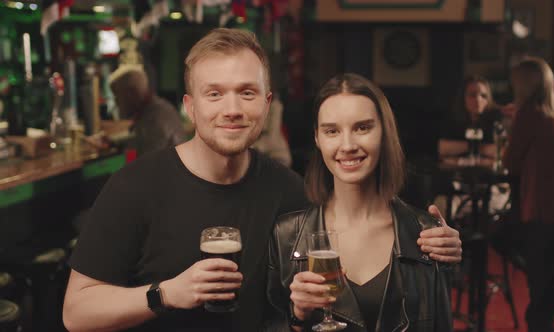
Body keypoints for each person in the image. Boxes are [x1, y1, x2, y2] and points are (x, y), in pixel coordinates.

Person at [63, 29, 461, 332]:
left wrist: (427, 238)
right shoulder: (135, 187)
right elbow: (75, 313)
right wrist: (164, 294)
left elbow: (341, 256)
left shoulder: (291, 193)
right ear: (190, 107)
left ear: (268, 104)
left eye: (247, 93)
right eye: (214, 94)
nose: (232, 109)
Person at [266, 73, 456, 331]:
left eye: (362, 128)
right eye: (332, 131)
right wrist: (298, 317)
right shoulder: (286, 235)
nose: (347, 145)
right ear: (317, 139)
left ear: (384, 132)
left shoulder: (427, 235)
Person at [503, 57, 554, 332]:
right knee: (538, 268)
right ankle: (552, 290)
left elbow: (510, 163)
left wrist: (513, 124)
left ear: (524, 85)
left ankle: (550, 294)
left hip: (543, 212)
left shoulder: (530, 114)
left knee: (498, 236)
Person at [108, 65, 186, 156]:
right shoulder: (152, 110)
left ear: (131, 93)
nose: (117, 103)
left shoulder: (155, 118)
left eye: (117, 96)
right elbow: (140, 138)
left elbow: (149, 164)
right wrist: (112, 141)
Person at [438, 75, 503, 161]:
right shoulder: (454, 117)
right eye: (472, 95)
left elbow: (501, 151)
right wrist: (477, 146)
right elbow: (443, 148)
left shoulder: (495, 117)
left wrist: (463, 147)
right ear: (463, 98)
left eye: (483, 96)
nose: (478, 99)